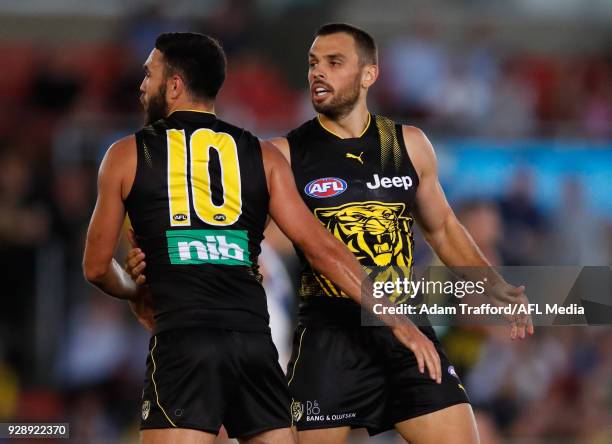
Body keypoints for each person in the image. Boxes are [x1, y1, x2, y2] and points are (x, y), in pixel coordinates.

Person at [125, 25, 534, 444]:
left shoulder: (408, 145)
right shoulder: (284, 154)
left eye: (334, 63)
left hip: (407, 335)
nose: (318, 73)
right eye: (312, 63)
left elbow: (444, 229)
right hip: (327, 341)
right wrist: (159, 270)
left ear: (368, 74)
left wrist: (494, 286)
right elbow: (232, 240)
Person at [83, 32, 439, 444]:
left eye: (149, 75)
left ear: (175, 85)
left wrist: (134, 289)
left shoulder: (127, 154)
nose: (142, 86)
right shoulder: (262, 154)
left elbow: (95, 267)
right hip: (254, 347)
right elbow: (322, 248)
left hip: (185, 342)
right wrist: (397, 320)